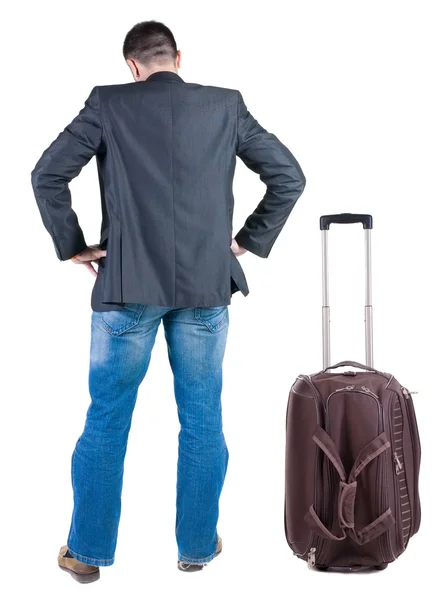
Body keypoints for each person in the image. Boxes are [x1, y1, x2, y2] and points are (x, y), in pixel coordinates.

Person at [31, 20, 306, 583]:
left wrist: (73, 247)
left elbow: (47, 175)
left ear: (131, 66)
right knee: (203, 419)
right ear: (178, 57)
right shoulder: (226, 106)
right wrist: (247, 242)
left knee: (107, 421)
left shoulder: (107, 103)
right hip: (206, 289)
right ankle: (197, 549)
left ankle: (86, 554)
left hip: (126, 289)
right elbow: (289, 176)